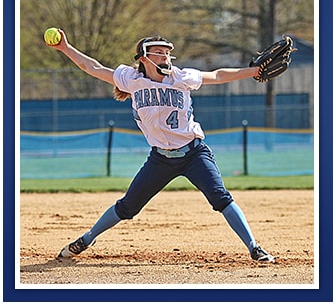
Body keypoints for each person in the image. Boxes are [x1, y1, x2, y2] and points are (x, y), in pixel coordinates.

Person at [48, 30, 275, 262]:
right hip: (160, 159)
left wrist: (254, 71)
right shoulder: (131, 79)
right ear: (143, 58)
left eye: (167, 53)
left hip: (194, 153)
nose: (165, 57)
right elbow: (93, 67)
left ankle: (254, 247)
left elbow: (217, 75)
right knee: (127, 207)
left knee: (221, 198)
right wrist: (65, 48)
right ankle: (87, 239)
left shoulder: (181, 77)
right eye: (158, 52)